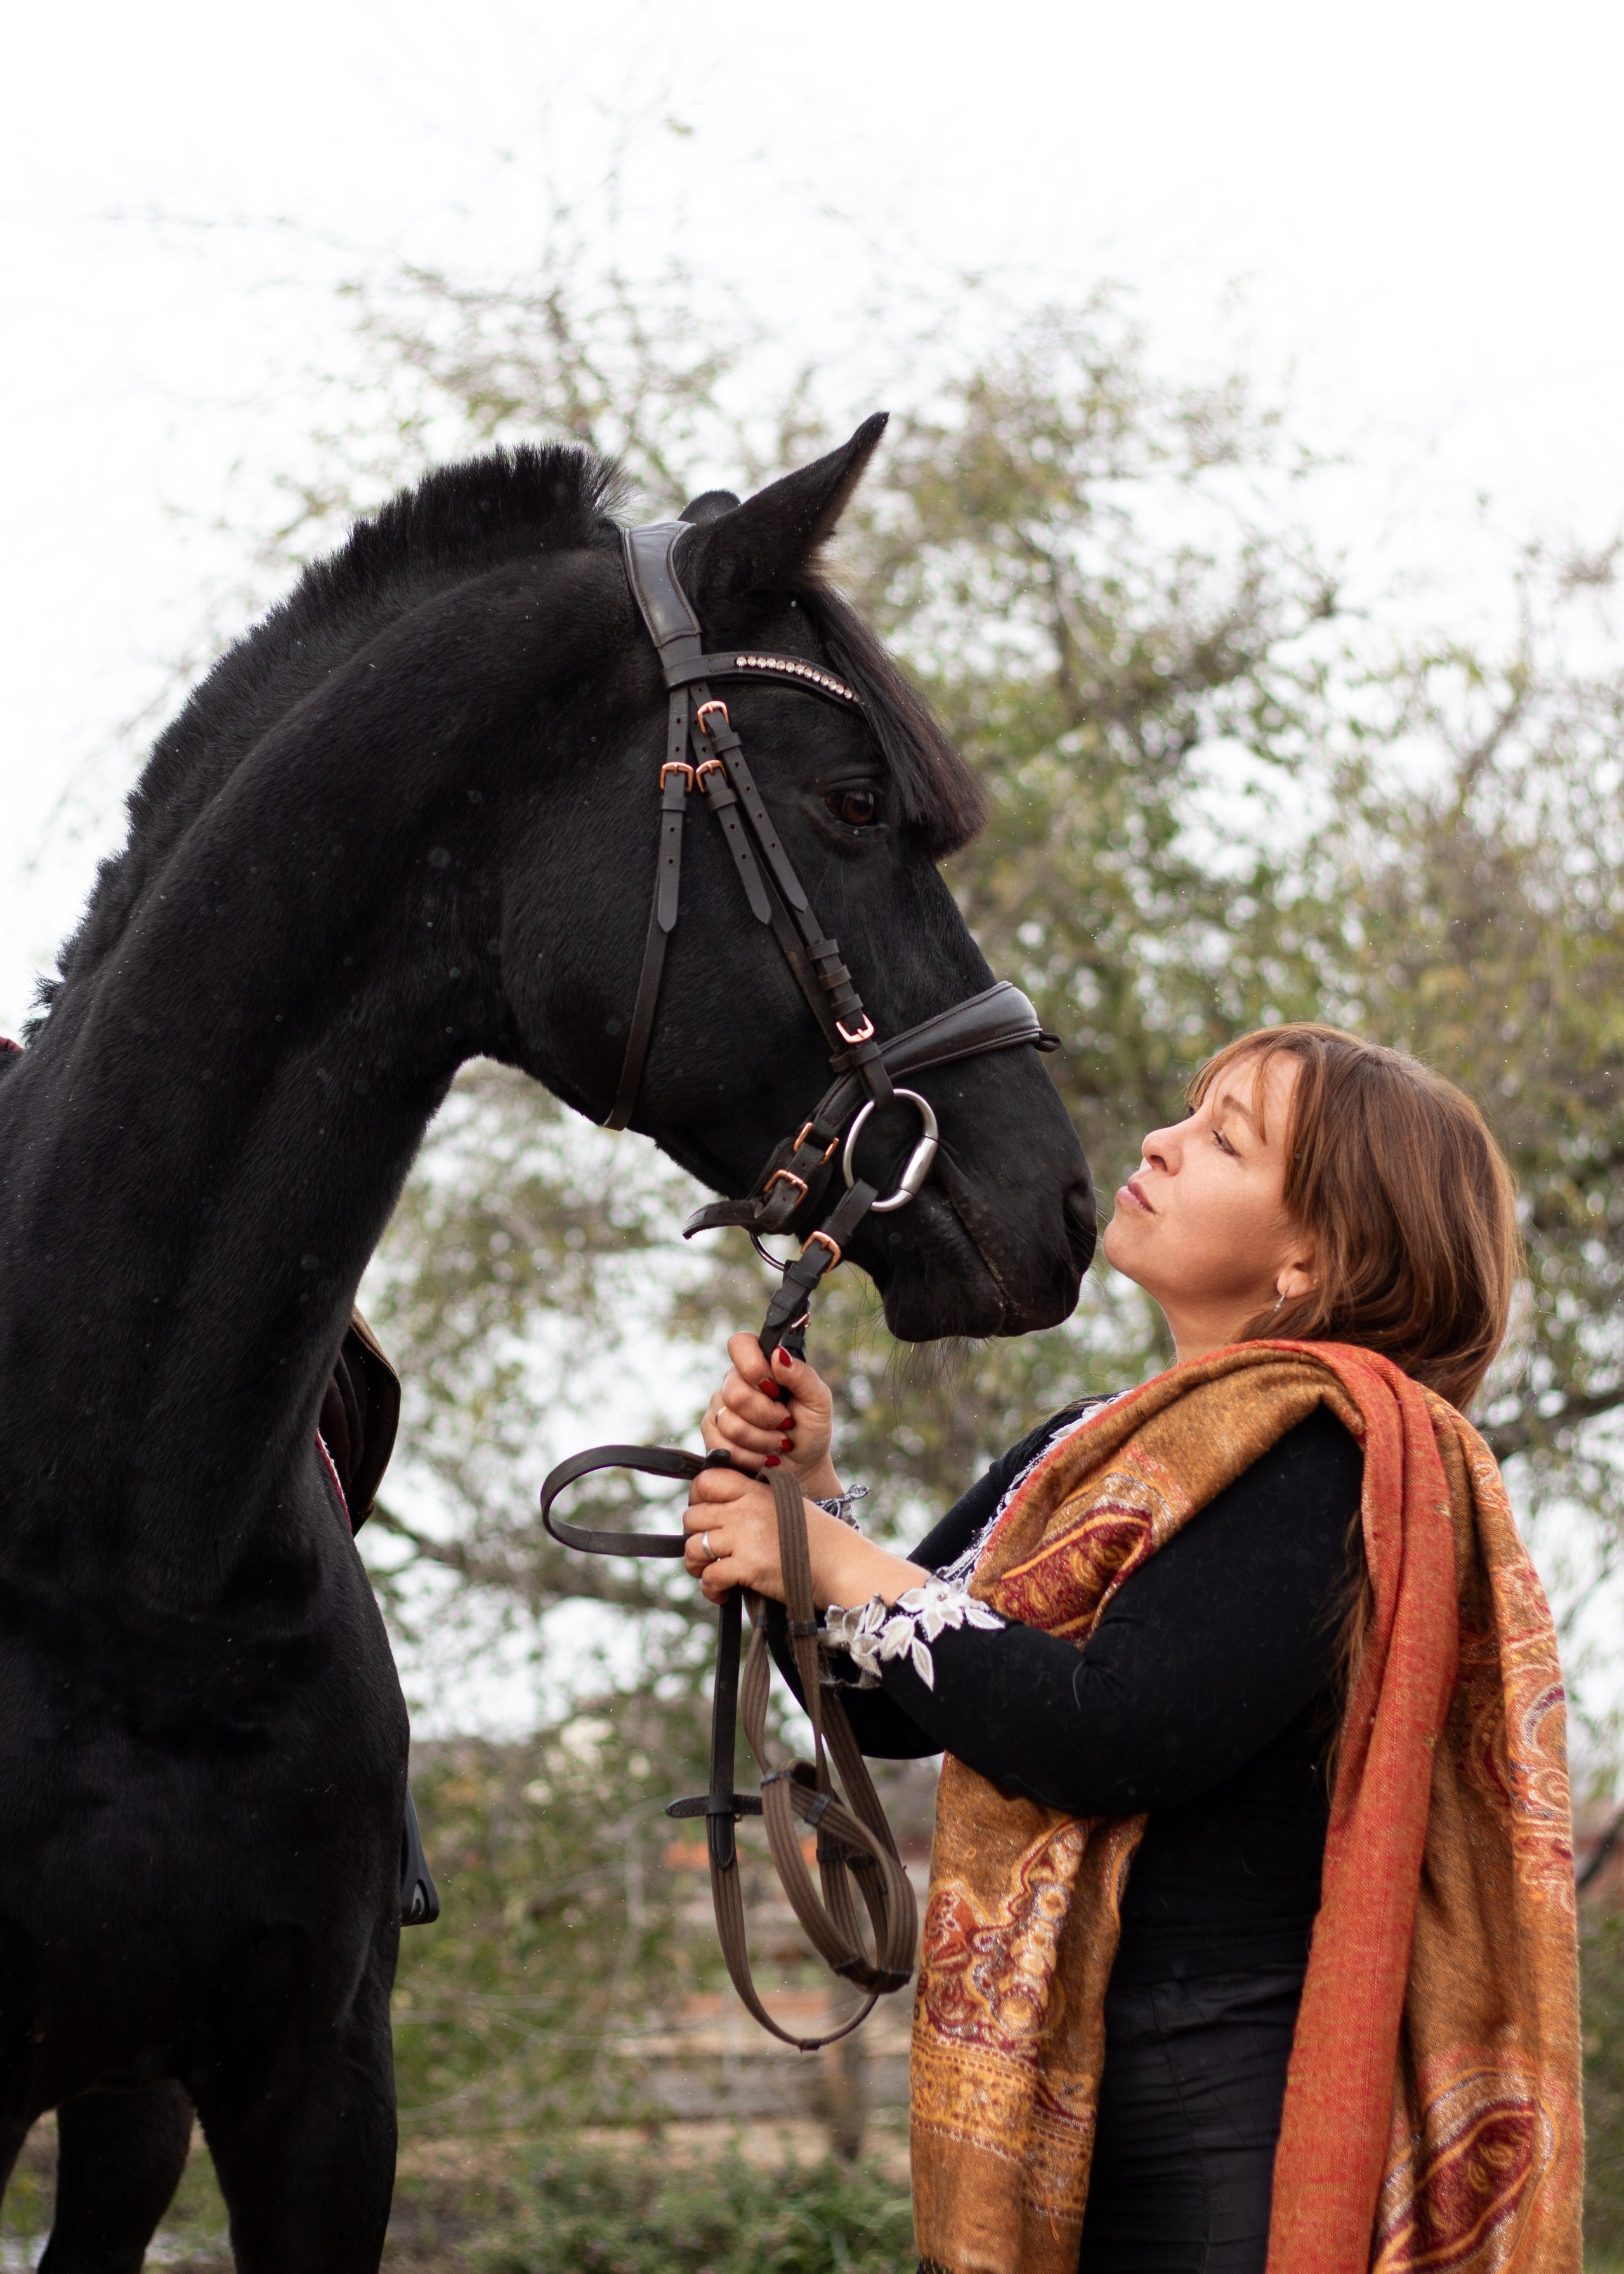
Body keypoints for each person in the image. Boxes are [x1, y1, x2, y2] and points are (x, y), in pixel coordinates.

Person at [680, 1023, 1581, 2274]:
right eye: (1187, 1111)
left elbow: (1113, 1734)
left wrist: (834, 1565)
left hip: (1222, 2155)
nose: (1158, 1141)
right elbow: (891, 1707)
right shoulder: (1089, 1440)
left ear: (1316, 1251)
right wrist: (805, 1501)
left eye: (1225, 1137)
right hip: (1096, 2129)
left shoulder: (1326, 1453)